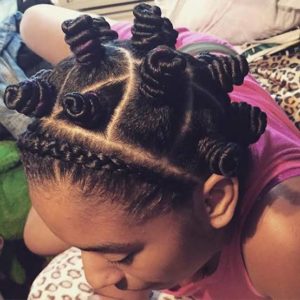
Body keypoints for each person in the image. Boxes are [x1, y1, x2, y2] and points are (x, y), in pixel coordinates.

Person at [5, 3, 300, 300]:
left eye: (119, 257)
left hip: (202, 62)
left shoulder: (283, 242)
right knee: (31, 20)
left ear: (214, 200)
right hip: (155, 71)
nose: (94, 277)